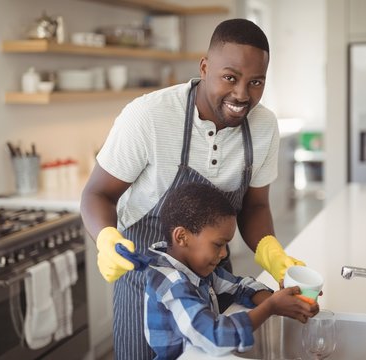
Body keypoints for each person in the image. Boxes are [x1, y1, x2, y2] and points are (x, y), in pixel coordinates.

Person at [80, 18, 306, 359]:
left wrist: (270, 252)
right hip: (143, 282)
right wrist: (106, 239)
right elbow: (97, 194)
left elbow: (255, 206)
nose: (242, 94)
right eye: (230, 77)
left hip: (209, 279)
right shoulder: (148, 116)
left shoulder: (263, 127)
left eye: (256, 82)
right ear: (204, 67)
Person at [117, 183, 319, 359]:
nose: (224, 254)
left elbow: (240, 286)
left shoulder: (197, 270)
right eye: (218, 244)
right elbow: (214, 337)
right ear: (181, 237)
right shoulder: (171, 283)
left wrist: (286, 302)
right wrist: (271, 307)